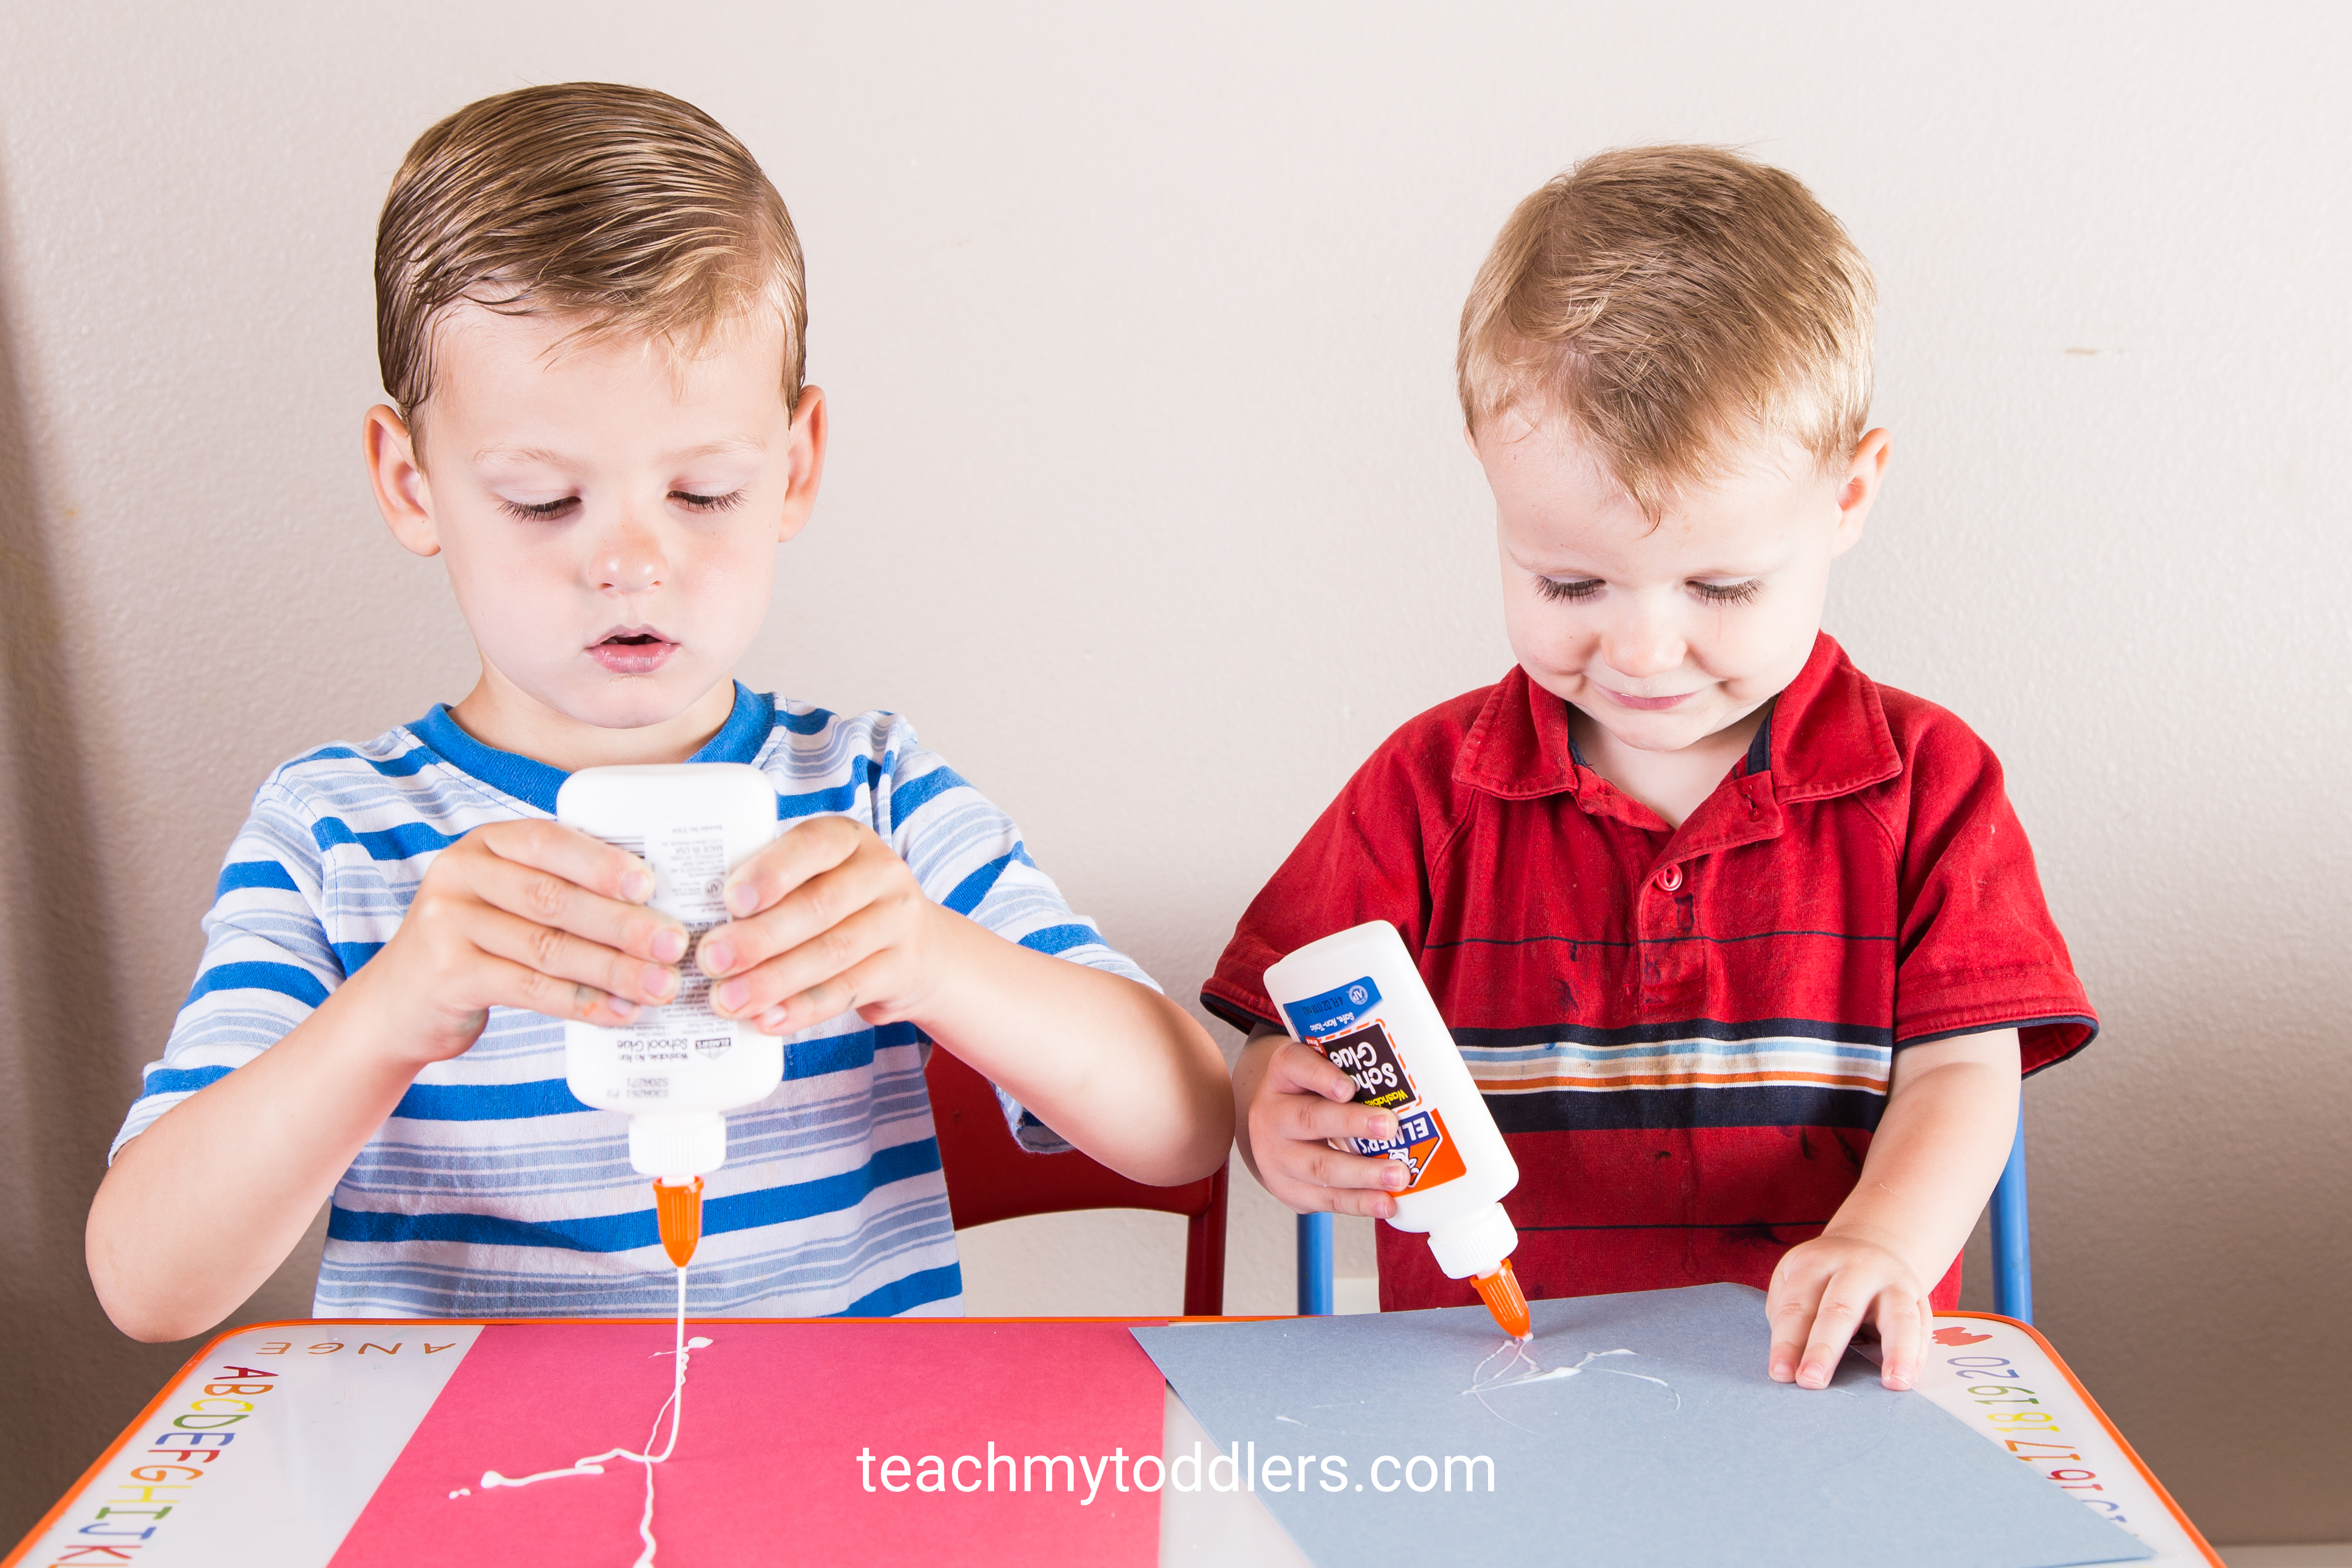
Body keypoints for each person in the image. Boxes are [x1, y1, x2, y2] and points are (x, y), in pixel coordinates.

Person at [88, 83, 1231, 1342]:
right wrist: (389, 1013)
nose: (629, 562)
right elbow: (148, 1283)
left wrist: (926, 957)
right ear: (411, 485)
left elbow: (1184, 1121)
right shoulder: (338, 832)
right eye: (540, 500)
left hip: (835, 1478)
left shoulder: (872, 791)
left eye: (700, 491)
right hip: (476, 1500)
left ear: (792, 468)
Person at [1212, 146, 2094, 1393]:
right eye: (1566, 582)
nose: (1639, 649)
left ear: (1848, 494)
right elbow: (1278, 1038)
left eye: (1720, 586)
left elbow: (1963, 1072)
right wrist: (1276, 1120)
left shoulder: (1924, 784)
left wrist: (1879, 1240)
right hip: (1486, 1387)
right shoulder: (1426, 789)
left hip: (1807, 1389)